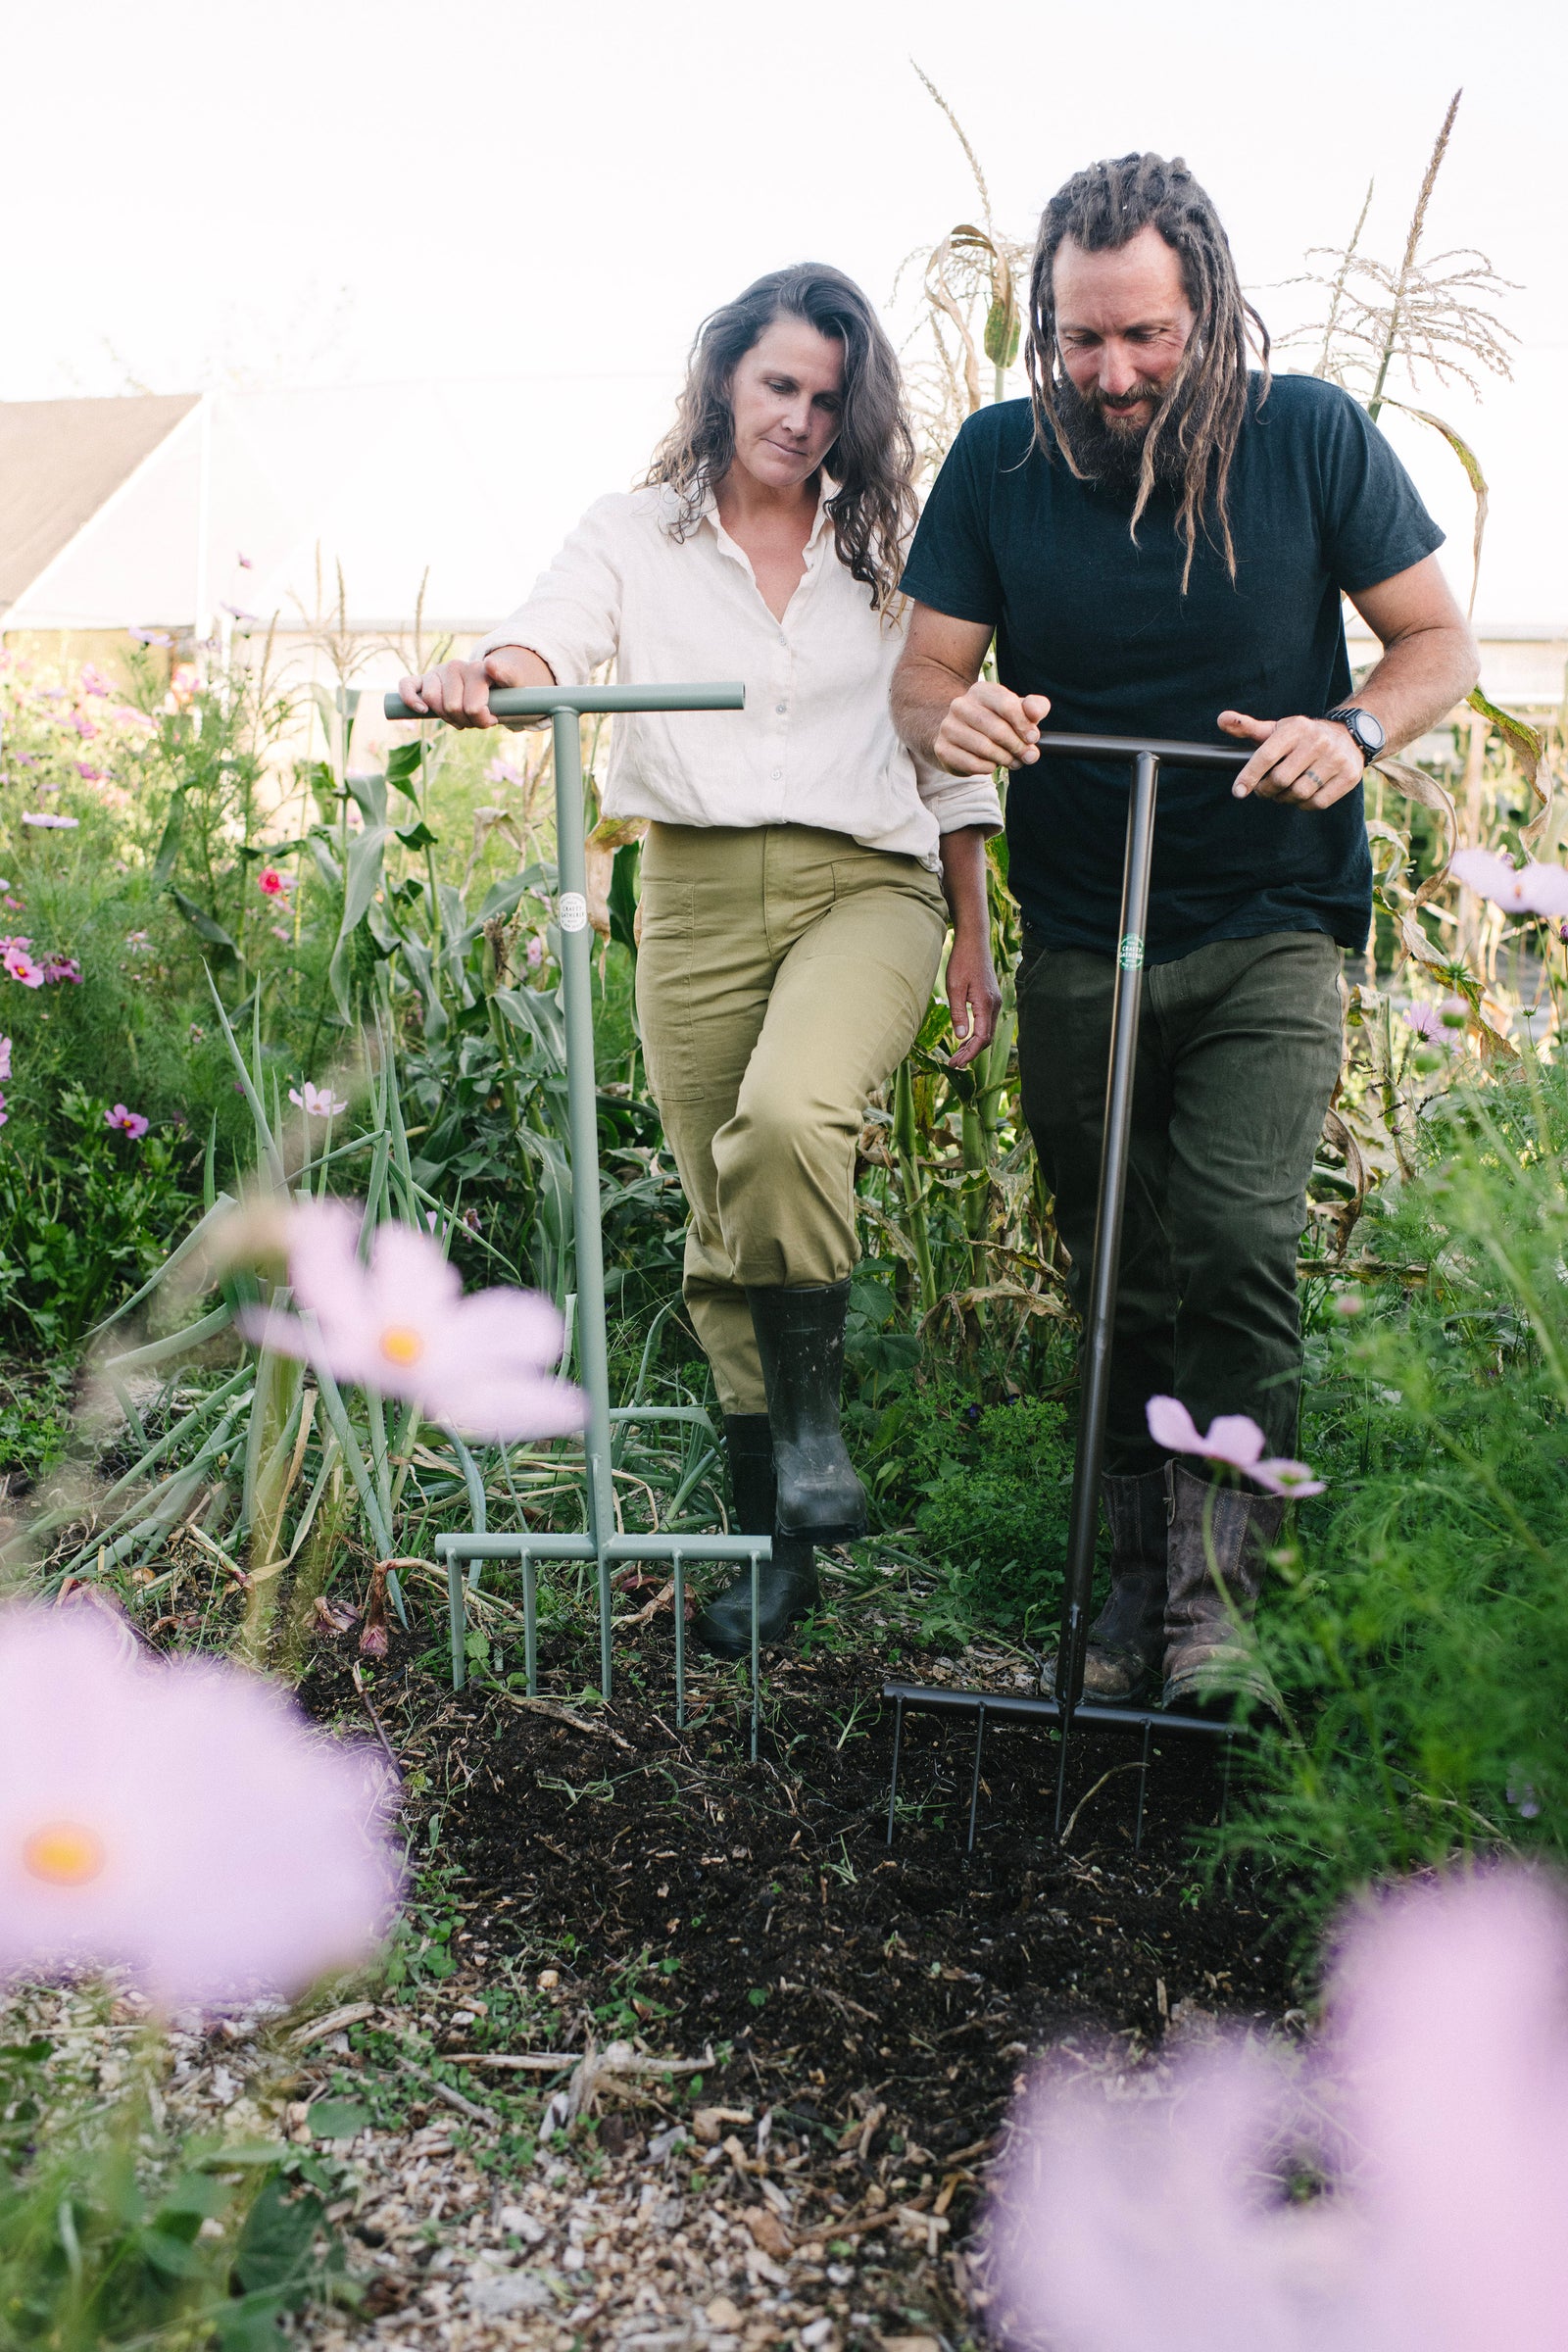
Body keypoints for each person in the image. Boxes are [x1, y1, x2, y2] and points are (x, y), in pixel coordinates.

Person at [892, 153, 1479, 1711]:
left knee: (1230, 1243)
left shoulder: (1309, 439)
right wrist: (966, 717)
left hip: (1268, 913)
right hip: (1086, 922)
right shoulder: (1001, 463)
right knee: (1120, 1268)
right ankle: (1130, 1584)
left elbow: (1436, 642)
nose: (1113, 373)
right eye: (1083, 340)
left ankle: (1233, 1601)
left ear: (1207, 306)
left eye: (1144, 336)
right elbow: (921, 682)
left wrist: (1350, 733)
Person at [399, 263, 1002, 1658]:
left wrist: (973, 927)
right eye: (778, 384)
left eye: (828, 399)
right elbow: (549, 629)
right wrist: (489, 674)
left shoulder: (895, 547)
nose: (799, 418)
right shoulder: (636, 533)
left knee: (788, 1122)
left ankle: (811, 1437)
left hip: (870, 882)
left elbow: (947, 738)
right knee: (722, 1209)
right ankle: (777, 1549)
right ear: (725, 377)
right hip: (694, 891)